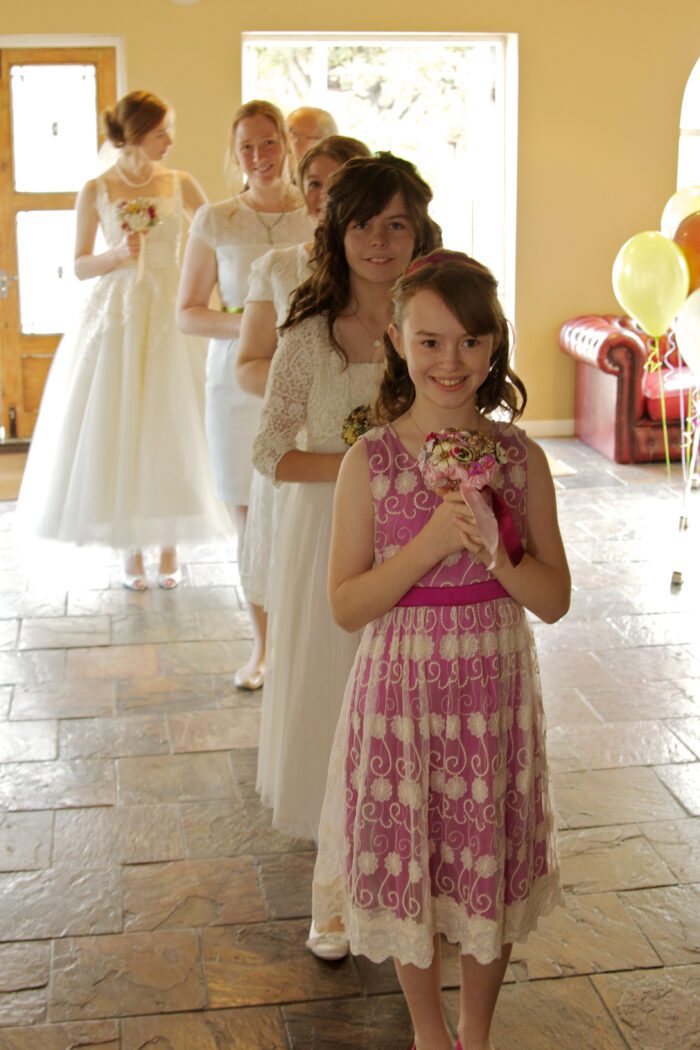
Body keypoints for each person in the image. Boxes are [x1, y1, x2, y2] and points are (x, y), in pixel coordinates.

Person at [312, 251, 571, 1049]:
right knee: (411, 865)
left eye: (469, 341)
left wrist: (499, 552)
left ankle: (476, 1032)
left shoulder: (521, 459)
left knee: (484, 861)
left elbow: (554, 599)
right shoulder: (369, 461)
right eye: (429, 341)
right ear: (397, 340)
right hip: (403, 700)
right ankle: (429, 1033)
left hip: (493, 697)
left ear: (494, 345)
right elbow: (346, 605)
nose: (449, 361)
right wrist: (428, 545)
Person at [252, 153, 441, 959]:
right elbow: (270, 451)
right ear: (337, 231)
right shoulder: (309, 334)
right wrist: (366, 467)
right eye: (362, 223)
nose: (379, 241)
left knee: (415, 710)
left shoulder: (434, 320)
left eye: (396, 224)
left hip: (422, 537)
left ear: (419, 232)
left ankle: (415, 882)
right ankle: (332, 893)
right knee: (338, 707)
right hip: (329, 537)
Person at [15, 89, 227, 589]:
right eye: (162, 132)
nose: (170, 141)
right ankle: (131, 549)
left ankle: (171, 544)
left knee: (174, 425)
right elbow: (80, 265)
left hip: (173, 309)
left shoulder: (180, 183)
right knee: (124, 425)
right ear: (135, 135)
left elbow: (219, 234)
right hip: (118, 316)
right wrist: (116, 255)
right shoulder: (96, 189)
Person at [176, 100, 314, 690]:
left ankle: (306, 640)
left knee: (306, 511)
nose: (259, 157)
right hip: (235, 384)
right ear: (234, 155)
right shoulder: (215, 220)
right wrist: (255, 325)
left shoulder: (316, 214)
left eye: (268, 142)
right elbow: (188, 313)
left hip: (307, 380)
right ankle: (262, 647)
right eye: (247, 148)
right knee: (250, 515)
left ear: (286, 143)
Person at [236, 135, 371, 611]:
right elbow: (248, 364)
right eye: (314, 183)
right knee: (302, 596)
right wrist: (313, 392)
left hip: (378, 458)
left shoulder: (391, 266)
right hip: (304, 451)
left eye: (339, 182)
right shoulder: (278, 268)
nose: (325, 195)